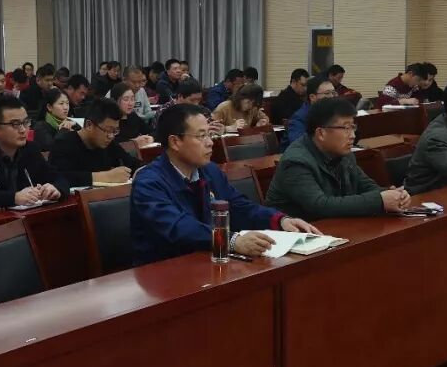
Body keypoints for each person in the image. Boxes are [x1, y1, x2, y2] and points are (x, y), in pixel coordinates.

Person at [130, 104, 318, 265]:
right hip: (163, 272)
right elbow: (178, 227)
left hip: (207, 260)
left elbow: (238, 206)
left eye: (209, 134)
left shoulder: (209, 171)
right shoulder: (149, 183)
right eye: (201, 136)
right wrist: (232, 241)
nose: (210, 143)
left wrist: (280, 220)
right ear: (175, 141)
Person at [266, 98, 411, 220]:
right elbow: (320, 205)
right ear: (321, 133)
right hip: (298, 237)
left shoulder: (343, 154)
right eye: (346, 128)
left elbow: (366, 185)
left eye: (353, 127)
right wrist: (380, 200)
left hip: (332, 229)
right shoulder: (295, 162)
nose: (353, 135)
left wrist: (392, 195)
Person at [0, 95, 69, 209]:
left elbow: (58, 177)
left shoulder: (30, 149)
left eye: (26, 122)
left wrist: (56, 189)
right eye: (15, 124)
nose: (23, 130)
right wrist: (13, 198)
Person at [49, 98, 141, 187]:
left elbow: (133, 164)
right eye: (107, 130)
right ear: (89, 125)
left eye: (115, 131)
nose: (111, 136)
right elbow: (58, 177)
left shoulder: (109, 144)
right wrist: (106, 176)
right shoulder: (63, 143)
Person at [286, 76, 337, 145]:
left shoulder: (333, 114)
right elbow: (299, 145)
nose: (332, 97)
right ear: (312, 97)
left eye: (333, 92)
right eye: (327, 93)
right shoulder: (299, 118)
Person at [110, 82, 154, 146]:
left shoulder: (133, 116)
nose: (130, 103)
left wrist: (150, 138)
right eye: (126, 99)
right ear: (115, 101)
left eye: (132, 99)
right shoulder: (109, 120)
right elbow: (112, 143)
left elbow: (152, 131)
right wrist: (134, 142)